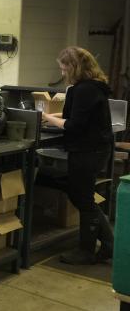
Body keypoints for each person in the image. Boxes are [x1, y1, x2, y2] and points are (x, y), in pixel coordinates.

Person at [42, 47, 114, 265]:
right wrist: (50, 116)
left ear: (74, 67)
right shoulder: (91, 87)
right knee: (81, 196)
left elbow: (73, 125)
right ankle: (109, 244)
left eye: (64, 67)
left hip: (88, 150)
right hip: (94, 149)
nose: (62, 72)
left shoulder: (84, 90)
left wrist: (45, 116)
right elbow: (72, 115)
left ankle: (86, 250)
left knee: (82, 198)